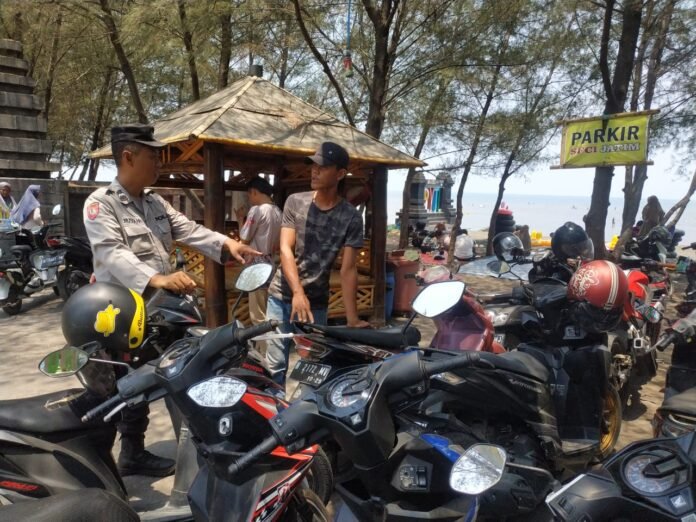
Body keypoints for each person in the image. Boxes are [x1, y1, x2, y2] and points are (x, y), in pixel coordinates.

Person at [83, 123, 259, 477]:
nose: (159, 164)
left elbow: (189, 230)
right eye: (153, 157)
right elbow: (112, 252)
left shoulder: (154, 201)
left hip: (157, 313)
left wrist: (227, 244)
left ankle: (150, 454)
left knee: (165, 380)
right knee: (118, 391)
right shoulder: (101, 204)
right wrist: (157, 278)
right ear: (128, 157)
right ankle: (101, 468)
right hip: (117, 316)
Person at [265, 141, 368, 388]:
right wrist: (297, 292)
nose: (314, 171)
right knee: (275, 365)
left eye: (322, 167)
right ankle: (274, 410)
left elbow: (348, 269)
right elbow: (285, 249)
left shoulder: (351, 217)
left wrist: (352, 319)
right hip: (280, 295)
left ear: (340, 174)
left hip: (316, 303)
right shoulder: (295, 202)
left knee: (313, 369)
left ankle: (303, 412)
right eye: (313, 166)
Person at [236, 176, 282, 329]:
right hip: (270, 264)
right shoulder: (278, 212)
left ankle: (264, 344)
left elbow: (244, 238)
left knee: (258, 315)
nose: (249, 199)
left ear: (254, 192)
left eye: (249, 194)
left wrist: (240, 221)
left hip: (256, 266)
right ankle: (271, 341)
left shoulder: (256, 210)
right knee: (269, 309)